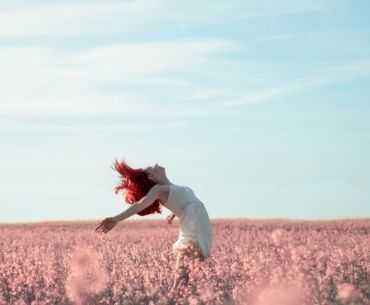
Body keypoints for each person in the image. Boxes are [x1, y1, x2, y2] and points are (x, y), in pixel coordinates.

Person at [95, 160, 213, 291]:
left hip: (200, 228)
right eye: (152, 167)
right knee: (182, 282)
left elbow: (187, 203)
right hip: (193, 230)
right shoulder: (158, 190)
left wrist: (176, 213)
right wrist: (116, 219)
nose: (156, 164)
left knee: (192, 279)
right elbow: (141, 204)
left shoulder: (172, 187)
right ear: (152, 177)